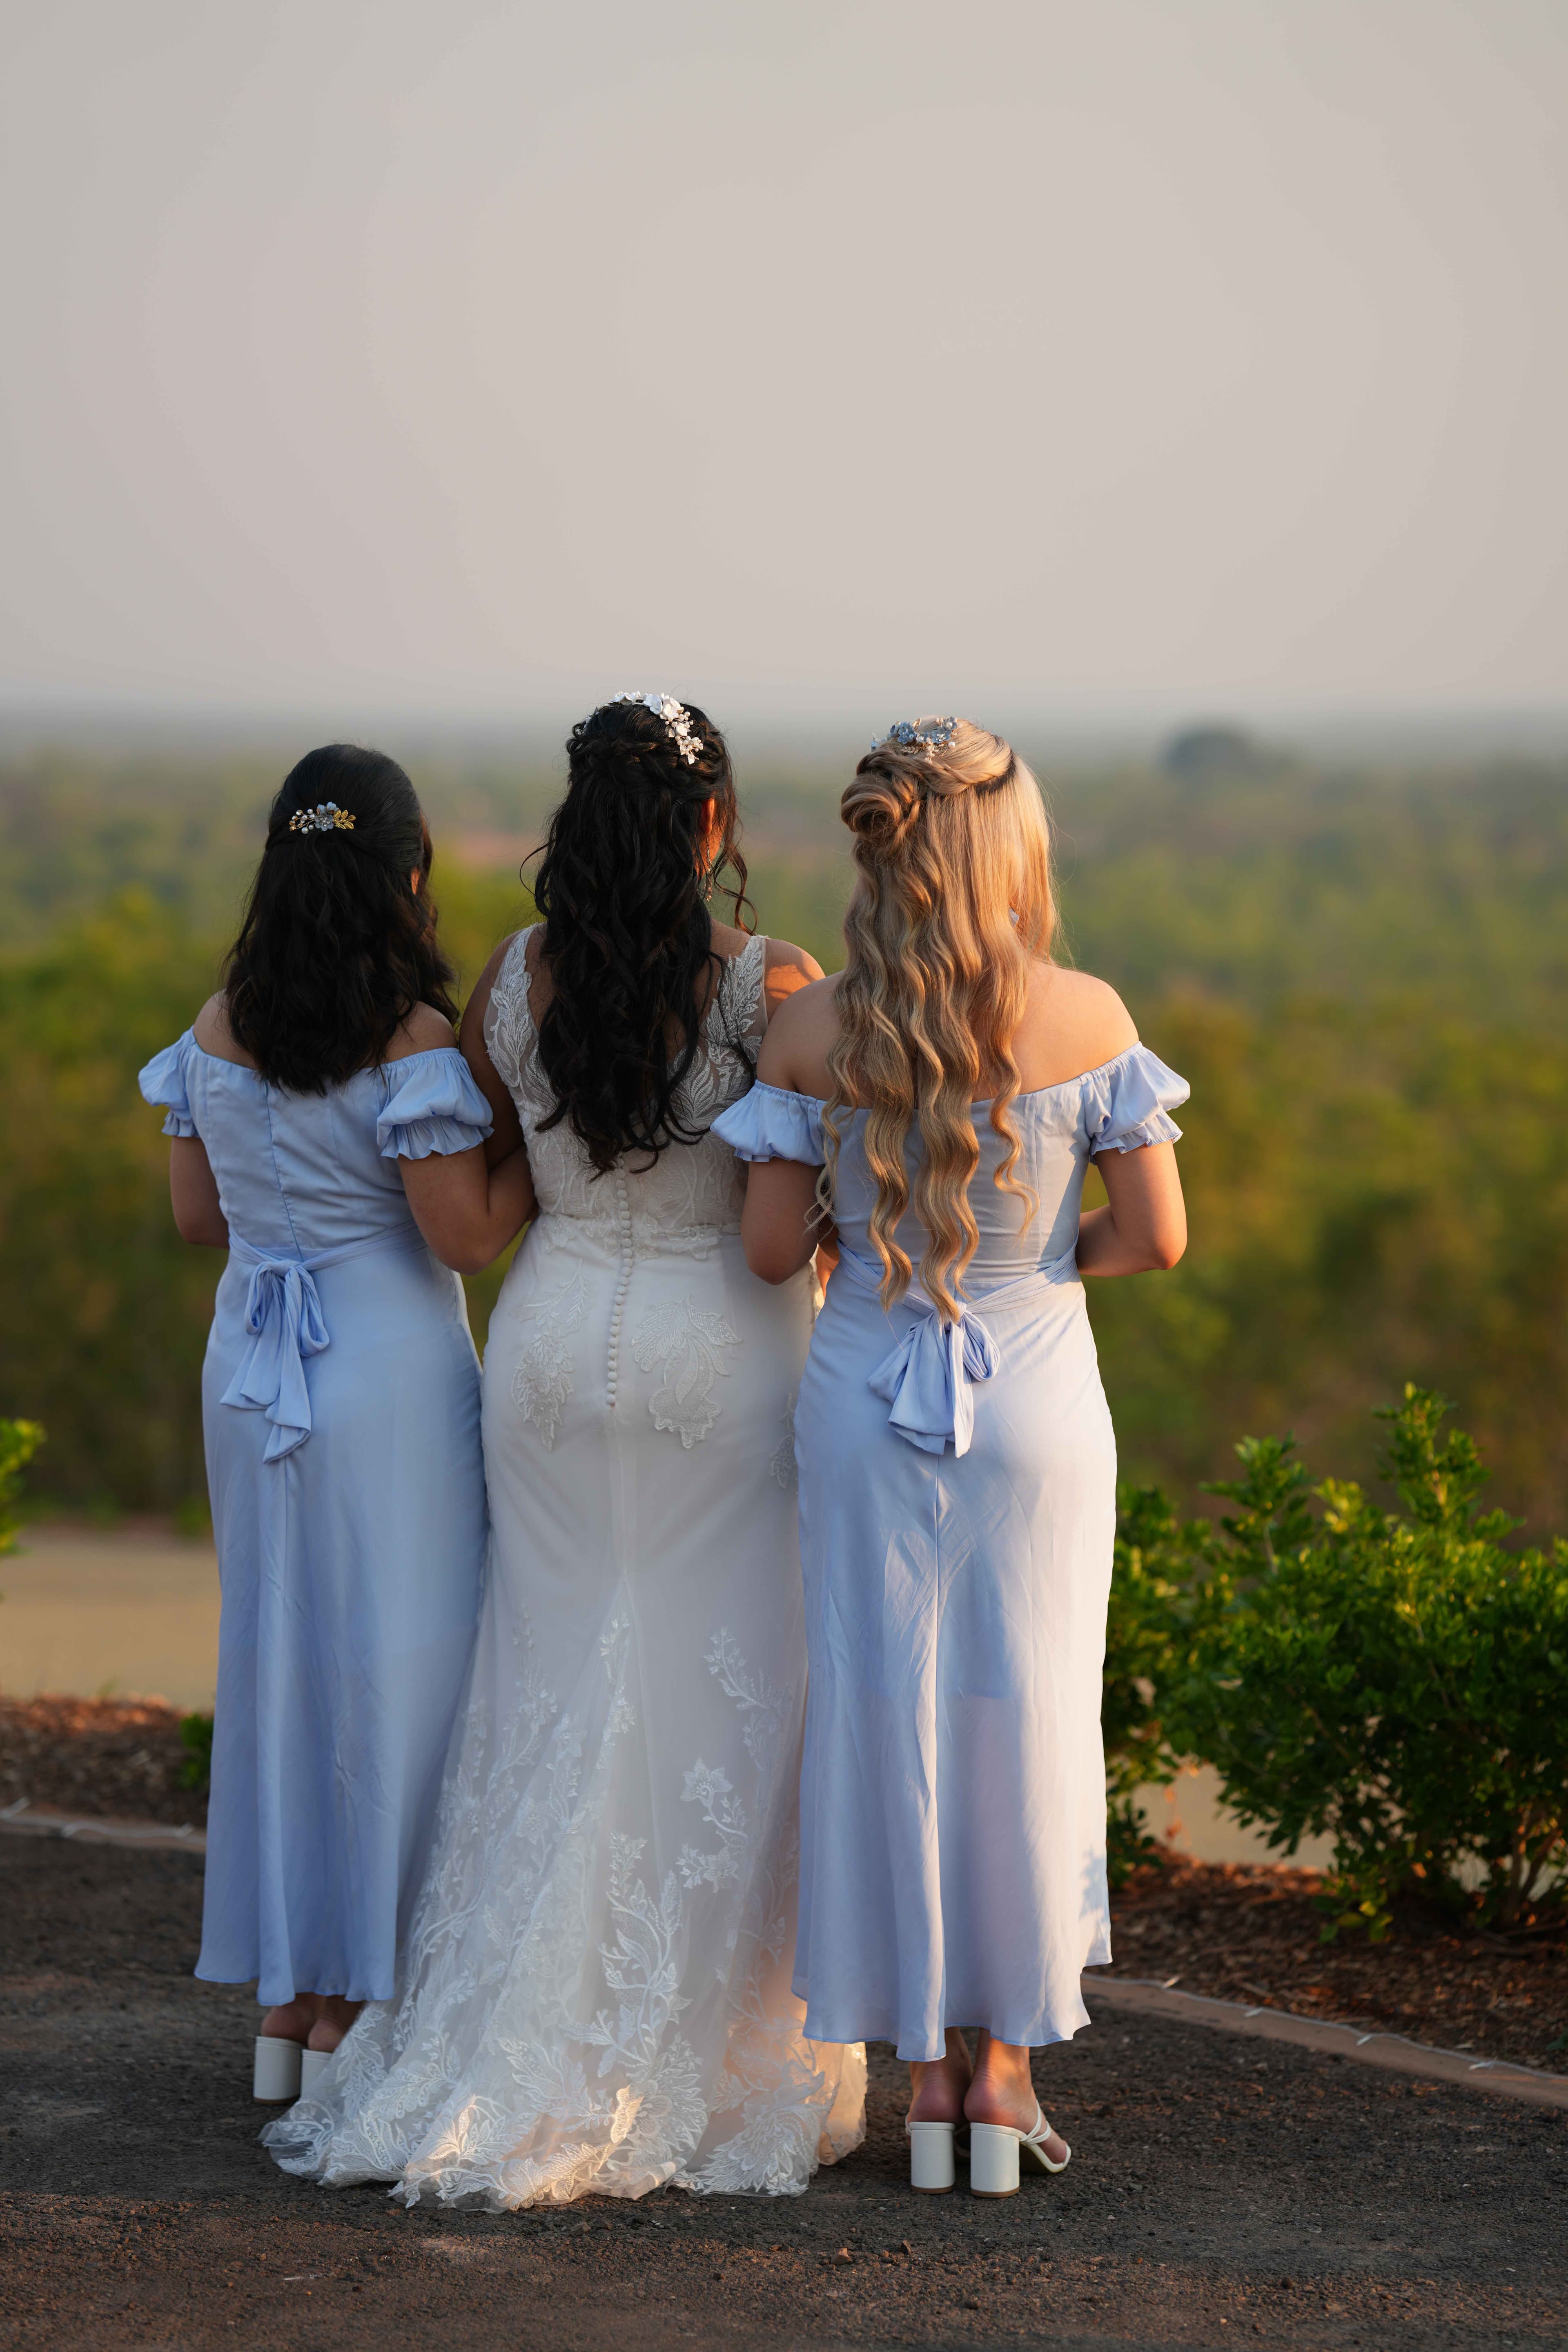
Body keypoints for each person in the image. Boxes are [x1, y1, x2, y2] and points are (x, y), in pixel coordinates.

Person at [264, 693, 865, 2207]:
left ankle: (495, 2019)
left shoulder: (509, 988)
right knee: (718, 1686)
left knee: (545, 1678)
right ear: (710, 824)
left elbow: (482, 1211)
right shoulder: (772, 985)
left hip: (543, 1355)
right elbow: (779, 1233)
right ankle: (690, 2040)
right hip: (715, 1352)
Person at [713, 717, 1189, 2199]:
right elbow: (1160, 1238)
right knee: (1027, 1712)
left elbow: (773, 1247)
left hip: (864, 1387)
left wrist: (876, 1260)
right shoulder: (1093, 1019)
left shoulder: (808, 1034)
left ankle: (922, 2075)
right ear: (1012, 851)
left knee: (880, 1705)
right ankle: (1005, 2082)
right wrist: (1034, 1267)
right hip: (1033, 1390)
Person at [140, 744, 531, 2104]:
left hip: (251, 1370)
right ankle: (359, 1999)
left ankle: (283, 2004)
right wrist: (545, 1147)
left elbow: (202, 1222)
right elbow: (463, 1238)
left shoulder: (213, 1026)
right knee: (398, 1671)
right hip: (379, 1372)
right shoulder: (412, 1044)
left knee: (281, 1659)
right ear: (407, 873)